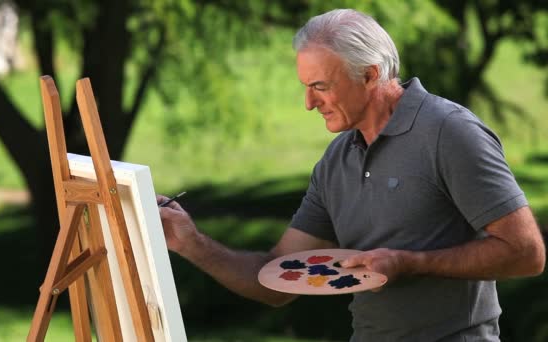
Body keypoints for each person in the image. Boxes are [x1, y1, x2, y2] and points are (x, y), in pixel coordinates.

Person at [157, 8, 545, 341]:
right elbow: (277, 279)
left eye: (321, 87)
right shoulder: (336, 161)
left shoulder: (449, 132)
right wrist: (192, 242)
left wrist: (410, 262)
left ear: (370, 75)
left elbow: (526, 253)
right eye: (306, 88)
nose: (309, 103)